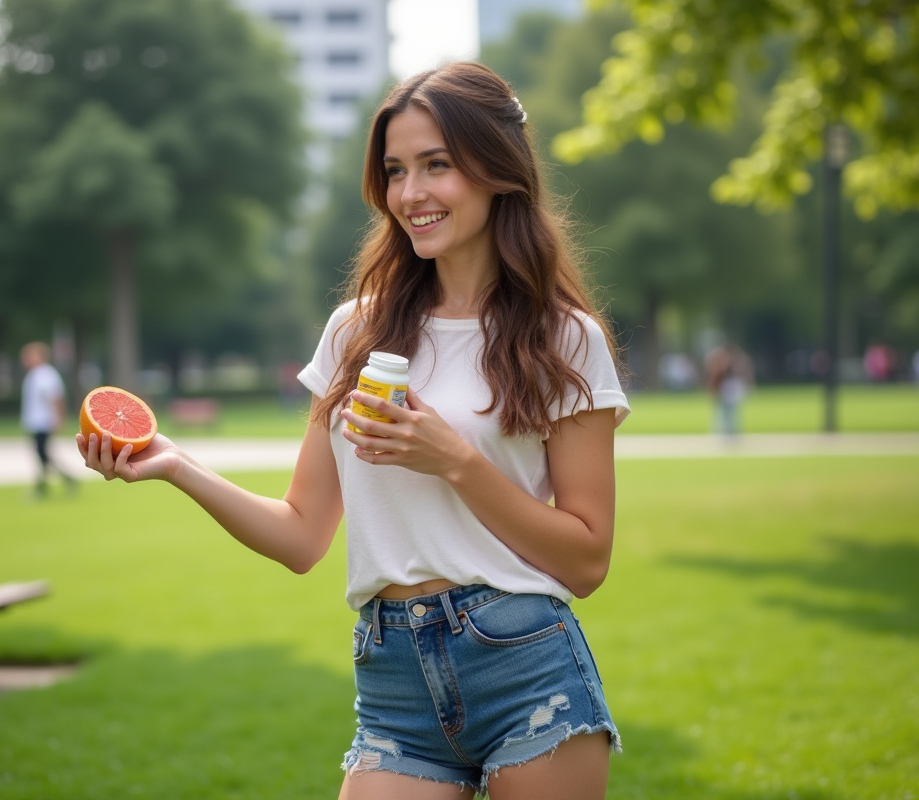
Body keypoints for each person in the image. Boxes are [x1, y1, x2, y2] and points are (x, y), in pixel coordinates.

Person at [78, 62, 629, 799]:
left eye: (438, 165)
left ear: (499, 170)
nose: (411, 193)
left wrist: (457, 462)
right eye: (396, 171)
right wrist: (179, 466)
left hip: (523, 659)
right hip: (392, 672)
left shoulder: (564, 338)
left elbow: (587, 559)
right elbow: (303, 535)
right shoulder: (356, 332)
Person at [20, 341, 77, 497]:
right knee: (41, 454)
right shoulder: (33, 375)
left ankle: (47, 485)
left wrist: (59, 418)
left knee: (42, 453)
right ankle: (61, 480)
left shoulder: (45, 374)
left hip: (44, 421)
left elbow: (55, 398)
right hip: (35, 422)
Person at [706, 343, 753, 437]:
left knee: (730, 411)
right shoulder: (727, 362)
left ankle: (730, 431)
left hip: (729, 387)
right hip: (727, 387)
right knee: (727, 411)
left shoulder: (731, 362)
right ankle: (727, 431)